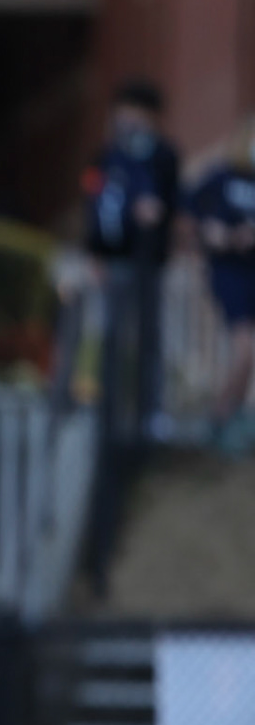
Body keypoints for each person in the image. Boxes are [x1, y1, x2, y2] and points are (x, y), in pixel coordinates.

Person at [84, 80, 182, 442]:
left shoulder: (164, 156)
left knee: (148, 337)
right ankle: (107, 410)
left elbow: (173, 202)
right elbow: (94, 205)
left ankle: (149, 411)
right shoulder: (107, 156)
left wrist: (158, 214)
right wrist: (94, 252)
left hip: (149, 262)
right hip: (115, 259)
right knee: (112, 336)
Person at [185, 116, 255, 451]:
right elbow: (189, 212)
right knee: (246, 348)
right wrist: (217, 235)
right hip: (229, 272)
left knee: (249, 353)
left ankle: (234, 420)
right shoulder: (221, 176)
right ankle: (219, 417)